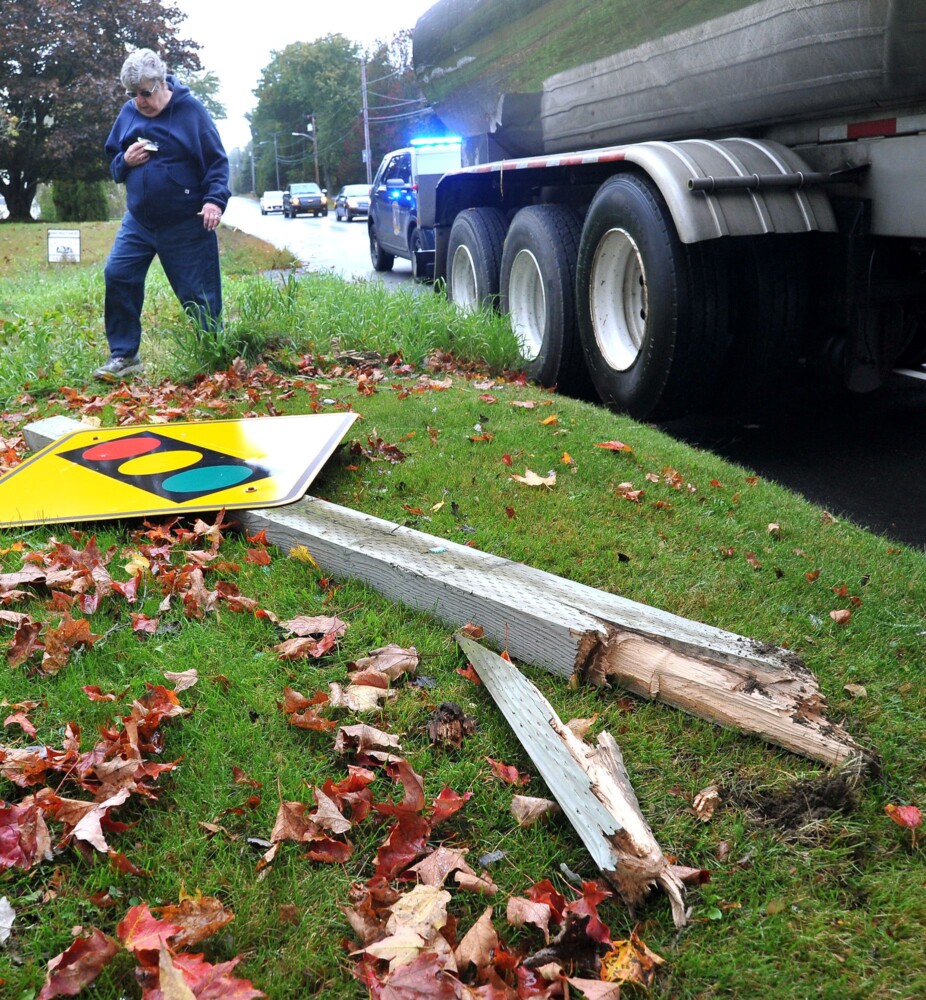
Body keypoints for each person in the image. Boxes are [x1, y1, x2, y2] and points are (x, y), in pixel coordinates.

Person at [95, 48, 230, 382]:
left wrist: (214, 201)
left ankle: (214, 354)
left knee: (197, 293)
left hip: (185, 222)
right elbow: (113, 161)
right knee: (118, 275)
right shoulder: (128, 113)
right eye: (132, 94)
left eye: (145, 92)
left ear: (161, 82)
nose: (139, 100)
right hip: (139, 221)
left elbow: (217, 162)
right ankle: (124, 356)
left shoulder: (190, 111)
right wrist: (125, 160)